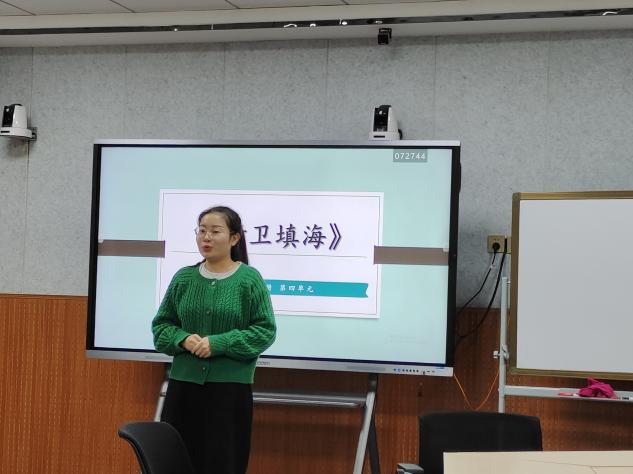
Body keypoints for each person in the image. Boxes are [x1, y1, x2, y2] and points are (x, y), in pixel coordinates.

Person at [152, 205, 276, 474]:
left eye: (215, 231)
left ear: (234, 238)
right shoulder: (184, 278)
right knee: (175, 463)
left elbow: (265, 331)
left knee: (222, 463)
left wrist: (219, 343)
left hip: (229, 393)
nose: (206, 237)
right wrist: (183, 339)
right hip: (183, 389)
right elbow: (161, 327)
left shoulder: (249, 280)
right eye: (202, 231)